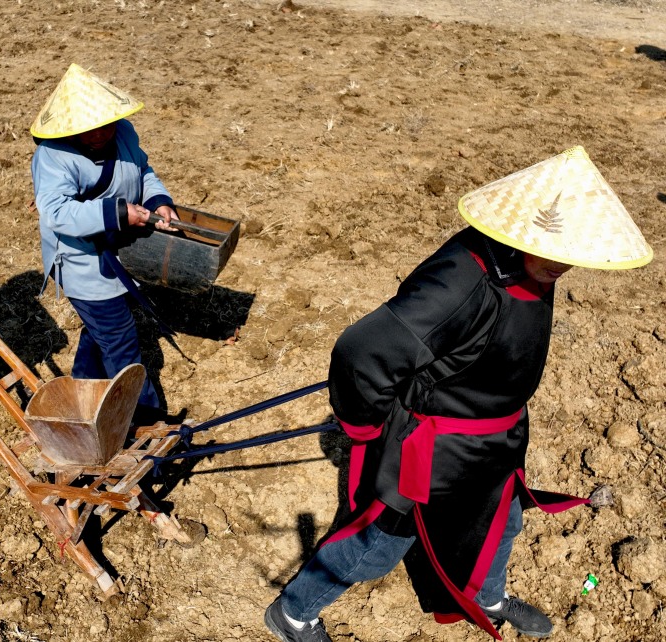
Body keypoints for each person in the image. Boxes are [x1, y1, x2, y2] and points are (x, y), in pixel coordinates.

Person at [265, 146, 653, 641]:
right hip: (433, 448)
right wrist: (365, 426)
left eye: (569, 254)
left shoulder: (534, 260)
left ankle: (488, 596)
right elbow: (361, 352)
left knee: (500, 522)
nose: (562, 266)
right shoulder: (459, 285)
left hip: (496, 437)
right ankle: (294, 612)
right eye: (555, 252)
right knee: (380, 543)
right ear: (522, 231)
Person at [29, 63, 179, 421]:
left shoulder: (123, 132)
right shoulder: (52, 156)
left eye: (106, 125)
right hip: (84, 265)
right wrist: (117, 213)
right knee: (122, 342)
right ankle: (145, 419)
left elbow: (142, 170)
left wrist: (160, 201)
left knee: (101, 333)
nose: (100, 135)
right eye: (89, 130)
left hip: (121, 252)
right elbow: (57, 213)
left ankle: (83, 393)